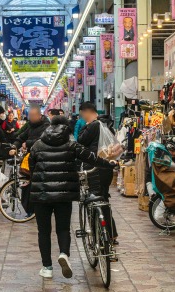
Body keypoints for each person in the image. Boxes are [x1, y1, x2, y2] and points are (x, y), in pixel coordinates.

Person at [29, 116, 114, 280]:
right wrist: (109, 164)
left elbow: (31, 168)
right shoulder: (71, 145)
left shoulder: (37, 145)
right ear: (67, 128)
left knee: (44, 231)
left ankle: (47, 267)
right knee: (63, 228)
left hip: (41, 194)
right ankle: (64, 254)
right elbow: (91, 158)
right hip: (64, 194)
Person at [76, 102, 115, 199]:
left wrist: (86, 126)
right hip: (107, 163)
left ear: (87, 112)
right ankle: (105, 213)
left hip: (94, 165)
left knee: (95, 195)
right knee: (104, 193)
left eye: (82, 114)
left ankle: (97, 213)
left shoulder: (94, 125)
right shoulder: (107, 124)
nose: (83, 117)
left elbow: (81, 140)